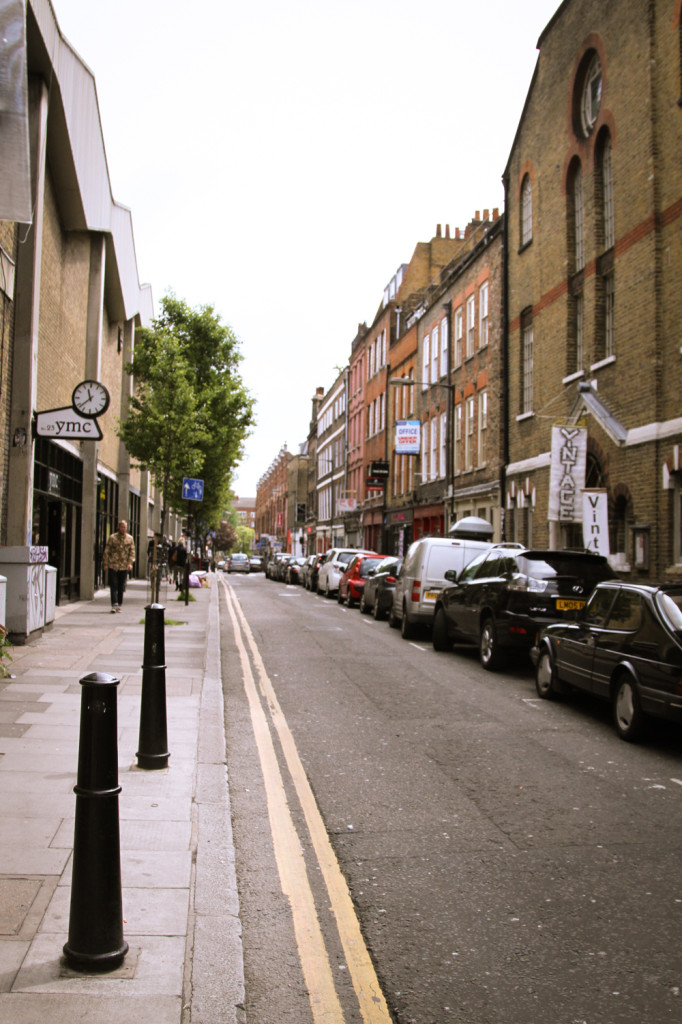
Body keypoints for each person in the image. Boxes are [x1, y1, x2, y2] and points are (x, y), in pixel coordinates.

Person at [103, 520, 136, 612]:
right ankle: (114, 603)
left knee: (121, 586)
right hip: (113, 564)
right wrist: (105, 563)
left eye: (125, 527)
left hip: (124, 566)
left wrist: (130, 563)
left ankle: (119, 603)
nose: (123, 529)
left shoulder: (130, 538)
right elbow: (107, 550)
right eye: (122, 527)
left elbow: (132, 552)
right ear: (119, 527)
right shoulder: (112, 538)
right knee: (113, 584)